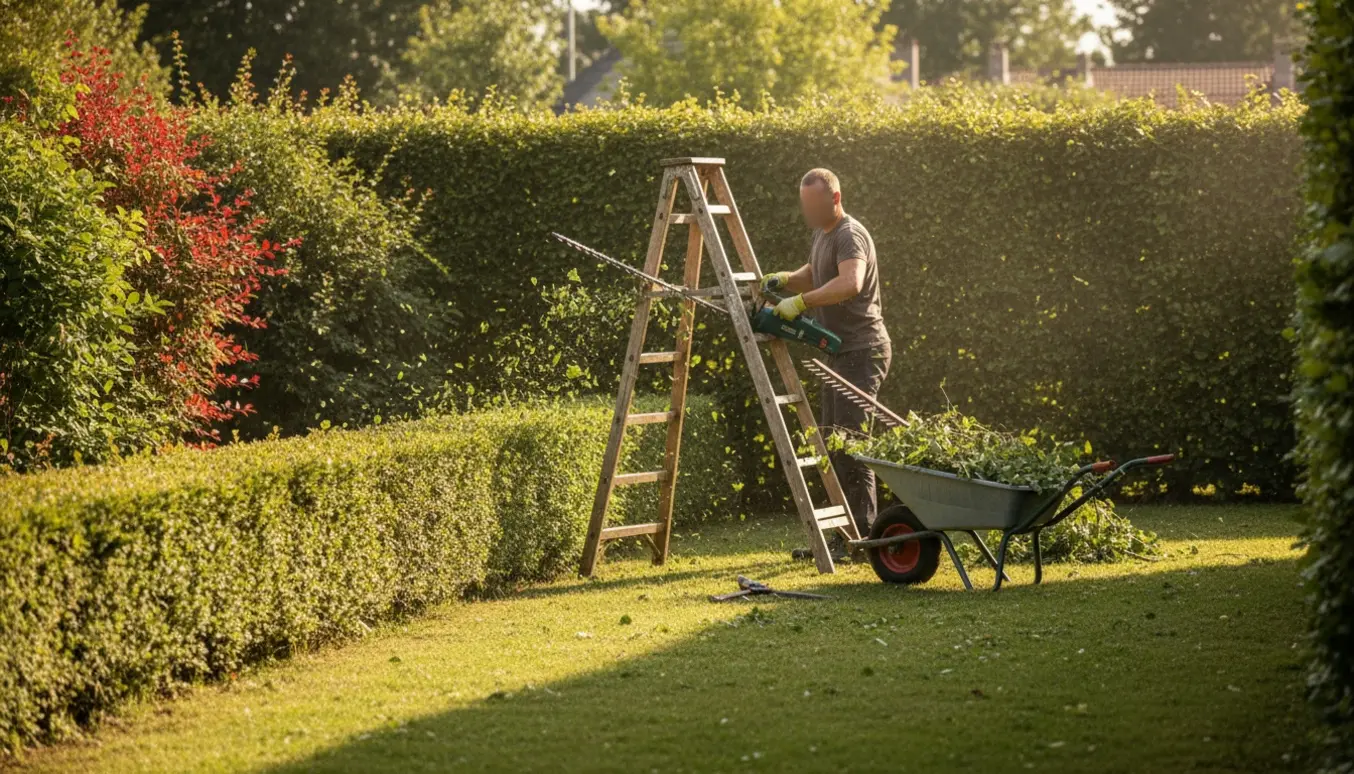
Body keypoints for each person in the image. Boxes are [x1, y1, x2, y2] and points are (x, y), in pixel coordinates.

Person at [761, 168, 891, 555]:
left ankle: (863, 540)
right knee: (835, 444)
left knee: (851, 445)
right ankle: (845, 537)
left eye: (815, 206)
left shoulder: (850, 234)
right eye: (805, 206)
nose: (809, 213)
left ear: (835, 198)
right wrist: (784, 280)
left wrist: (802, 303)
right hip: (839, 352)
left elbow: (849, 282)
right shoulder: (822, 232)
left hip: (863, 350)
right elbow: (814, 273)